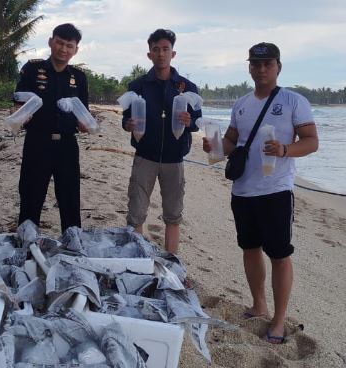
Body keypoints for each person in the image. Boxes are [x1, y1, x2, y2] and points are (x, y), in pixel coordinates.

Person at [203, 42, 318, 343]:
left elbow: (311, 141)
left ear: (278, 67)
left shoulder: (294, 101)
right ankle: (259, 305)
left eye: (268, 63)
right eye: (256, 63)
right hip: (243, 191)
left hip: (276, 190)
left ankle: (279, 321)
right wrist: (213, 147)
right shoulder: (241, 104)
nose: (262, 69)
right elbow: (230, 142)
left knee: (279, 254)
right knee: (250, 249)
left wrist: (285, 149)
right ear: (249, 67)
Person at [122, 29, 202, 254]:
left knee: (173, 215)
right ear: (149, 54)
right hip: (144, 157)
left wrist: (189, 121)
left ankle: (171, 261)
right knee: (136, 211)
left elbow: (197, 121)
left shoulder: (187, 87)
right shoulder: (137, 86)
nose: (160, 54)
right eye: (155, 49)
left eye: (165, 49)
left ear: (173, 53)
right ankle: (136, 259)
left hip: (174, 159)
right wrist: (128, 124)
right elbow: (125, 119)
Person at [14, 23, 89, 233]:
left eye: (69, 45)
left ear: (75, 50)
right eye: (60, 43)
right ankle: (27, 244)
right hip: (37, 143)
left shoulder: (79, 78)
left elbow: (84, 116)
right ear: (51, 42)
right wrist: (19, 114)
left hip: (67, 145)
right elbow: (18, 101)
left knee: (70, 198)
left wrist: (86, 124)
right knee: (30, 195)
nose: (63, 49)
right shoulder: (32, 69)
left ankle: (72, 241)